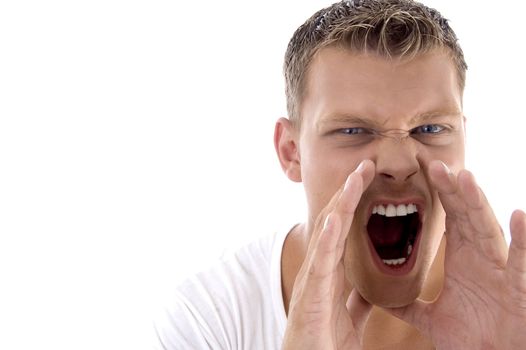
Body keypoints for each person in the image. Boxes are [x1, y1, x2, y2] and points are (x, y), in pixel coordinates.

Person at [153, 0, 526, 348]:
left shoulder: (516, 312)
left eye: (430, 129)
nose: (398, 164)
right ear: (291, 152)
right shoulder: (209, 318)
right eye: (353, 131)